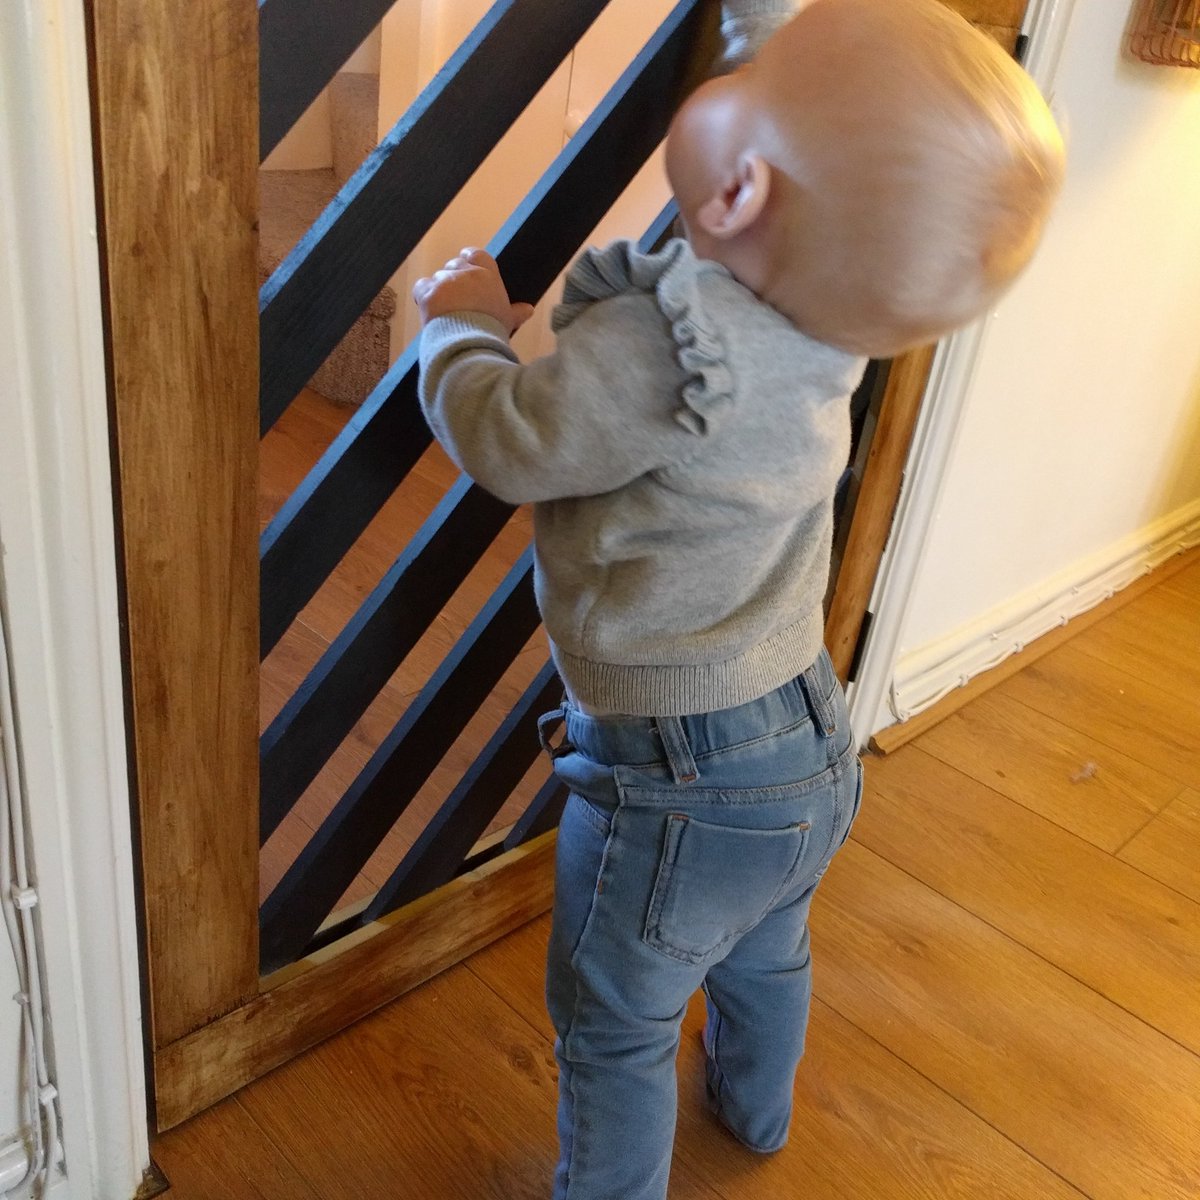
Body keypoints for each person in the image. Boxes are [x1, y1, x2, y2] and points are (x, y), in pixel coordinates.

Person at [413, 1, 1064, 1196]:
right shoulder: (838, 318)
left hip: (678, 782)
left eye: (746, 75)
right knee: (768, 956)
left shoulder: (666, 342)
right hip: (808, 742)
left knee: (616, 1024)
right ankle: (757, 1116)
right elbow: (812, 112)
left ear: (734, 195)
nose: (733, 61)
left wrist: (456, 328)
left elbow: (514, 439)